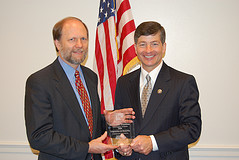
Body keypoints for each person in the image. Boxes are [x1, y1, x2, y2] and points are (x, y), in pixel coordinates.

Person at [24, 17, 134, 160]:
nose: (79, 45)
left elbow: (85, 124)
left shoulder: (90, 77)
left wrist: (106, 121)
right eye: (72, 39)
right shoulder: (40, 81)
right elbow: (39, 137)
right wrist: (87, 148)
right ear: (57, 43)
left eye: (83, 39)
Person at [114, 21, 202, 159]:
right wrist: (121, 146)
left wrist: (153, 142)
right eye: (142, 44)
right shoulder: (123, 83)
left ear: (164, 47)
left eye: (154, 44)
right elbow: (119, 125)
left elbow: (192, 129)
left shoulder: (183, 82)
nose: (148, 50)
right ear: (136, 48)